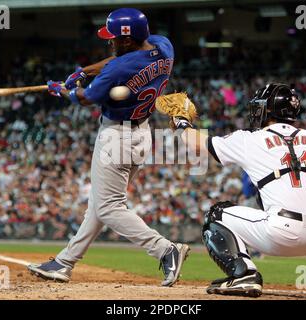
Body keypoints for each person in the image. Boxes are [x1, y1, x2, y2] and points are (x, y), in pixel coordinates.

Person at [27, 8, 190, 287]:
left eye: (112, 38)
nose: (109, 41)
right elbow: (119, 61)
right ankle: (65, 262)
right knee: (99, 204)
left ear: (126, 40)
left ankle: (165, 249)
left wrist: (62, 91)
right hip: (141, 133)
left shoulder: (118, 68)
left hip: (117, 137)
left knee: (108, 207)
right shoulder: (164, 46)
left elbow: (87, 97)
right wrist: (83, 71)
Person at [159, 83, 306, 296]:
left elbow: (197, 144)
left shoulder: (249, 139)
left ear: (267, 110)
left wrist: (181, 122)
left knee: (216, 215)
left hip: (283, 235)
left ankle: (244, 274)